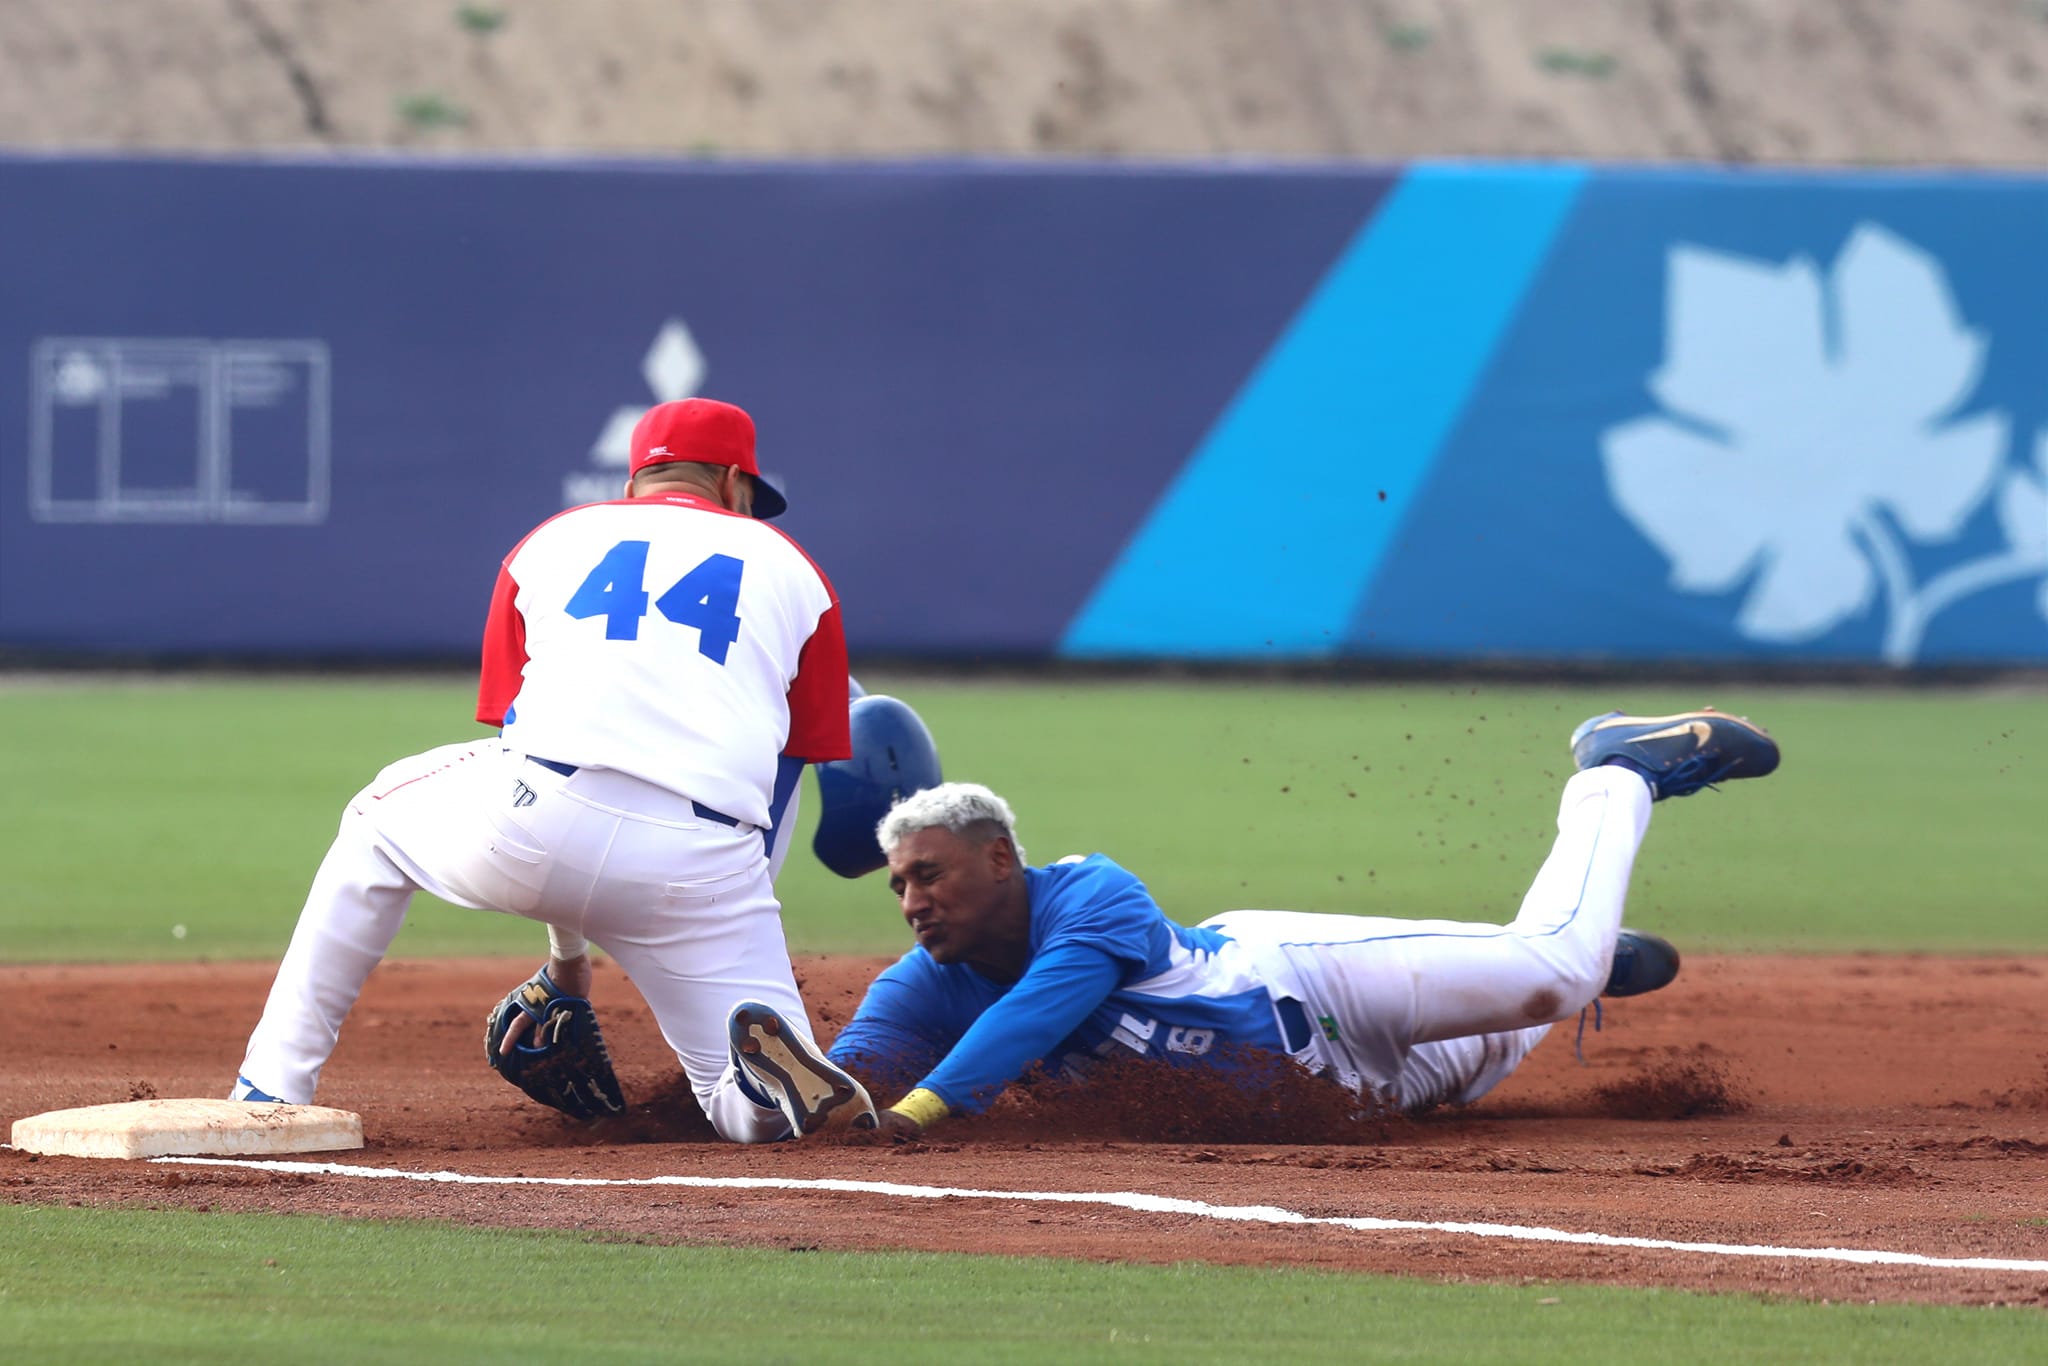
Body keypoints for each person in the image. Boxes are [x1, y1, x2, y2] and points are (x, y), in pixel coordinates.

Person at [231, 397, 875, 1141]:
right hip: (703, 858)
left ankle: (269, 1085)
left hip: (538, 817)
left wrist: (568, 963)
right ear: (733, 482)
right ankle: (758, 1101)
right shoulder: (801, 574)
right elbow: (787, 772)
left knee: (376, 824)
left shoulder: (552, 540)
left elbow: (517, 733)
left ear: (638, 480)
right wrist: (735, 904)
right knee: (732, 1100)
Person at [795, 709, 1779, 1139]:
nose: (913, 900)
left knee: (1546, 973)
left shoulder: (1091, 894)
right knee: (1509, 1023)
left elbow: (1026, 1023)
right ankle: (1595, 949)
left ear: (999, 857)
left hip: (1308, 983)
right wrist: (817, 1107)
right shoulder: (921, 979)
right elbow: (847, 1083)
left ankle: (1617, 771)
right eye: (897, 888)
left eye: (929, 874)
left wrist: (919, 1110)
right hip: (1352, 1096)